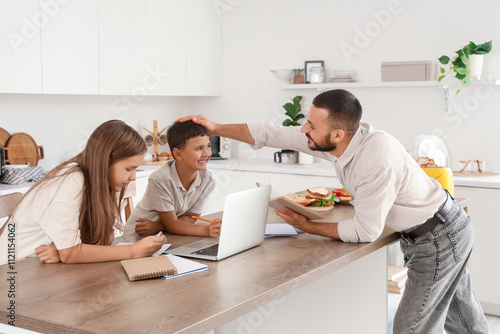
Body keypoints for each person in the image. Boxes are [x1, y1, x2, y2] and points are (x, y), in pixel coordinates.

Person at [178, 89, 489, 334]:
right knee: (463, 319)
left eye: (312, 125)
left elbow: (365, 232)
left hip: (438, 238)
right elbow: (270, 133)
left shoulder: (374, 158)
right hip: (445, 229)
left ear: (338, 133)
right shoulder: (343, 143)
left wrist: (306, 225)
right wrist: (216, 127)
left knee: (411, 328)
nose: (304, 129)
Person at [0, 120, 166, 265]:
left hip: (44, 268)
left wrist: (63, 251)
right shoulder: (72, 180)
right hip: (14, 273)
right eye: (129, 169)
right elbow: (71, 253)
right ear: (105, 161)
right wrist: (133, 251)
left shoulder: (103, 182)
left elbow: (103, 240)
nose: (133, 177)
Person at [124, 121, 221, 240]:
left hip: (167, 235)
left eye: (208, 146)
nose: (206, 153)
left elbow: (192, 218)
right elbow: (172, 224)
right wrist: (206, 230)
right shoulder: (160, 179)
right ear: (178, 154)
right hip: (138, 237)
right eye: (199, 148)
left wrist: (158, 226)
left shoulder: (208, 181)